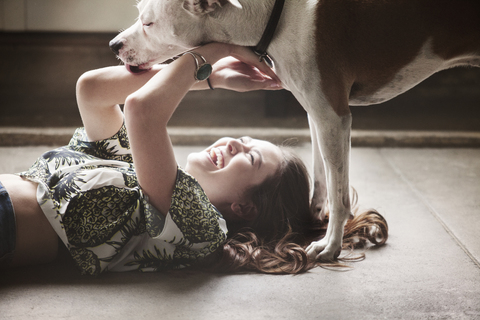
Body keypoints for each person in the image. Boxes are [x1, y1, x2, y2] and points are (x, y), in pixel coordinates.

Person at [0, 43, 388, 275]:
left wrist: (218, 50)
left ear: (245, 207)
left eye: (250, 158)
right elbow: (93, 91)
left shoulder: (202, 228)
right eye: (242, 139)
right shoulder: (136, 169)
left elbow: (142, 110)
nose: (233, 144)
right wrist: (210, 78)